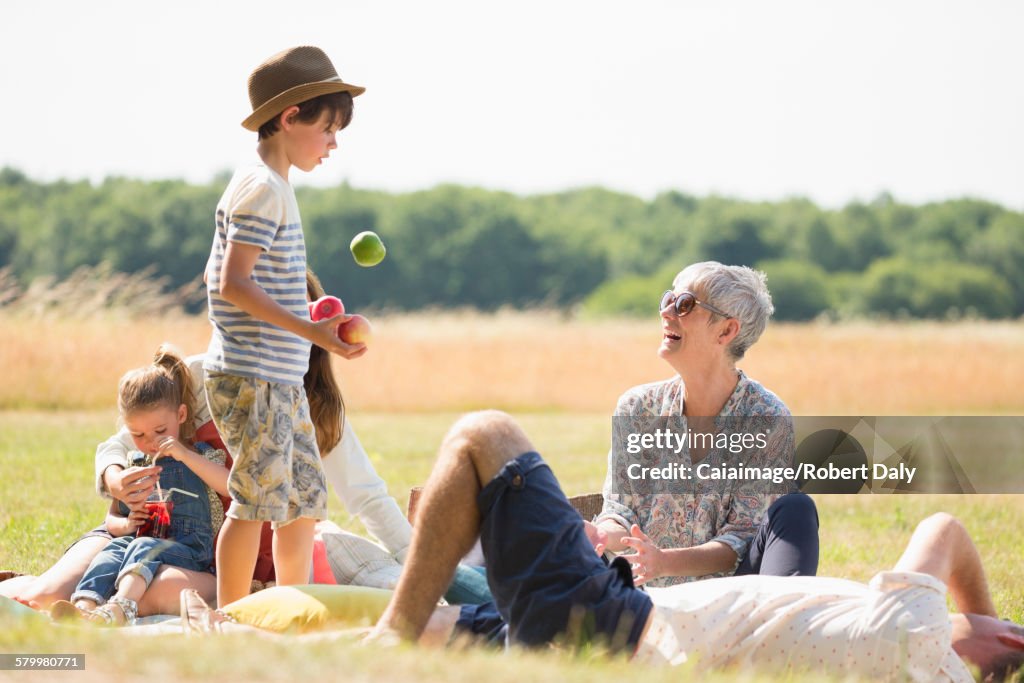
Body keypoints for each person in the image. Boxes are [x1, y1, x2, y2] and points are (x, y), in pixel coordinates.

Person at [369, 410, 1024, 682]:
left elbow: (946, 529)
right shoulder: (907, 645)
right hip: (619, 623)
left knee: (484, 436)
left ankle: (388, 636)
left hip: (613, 627)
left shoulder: (916, 626)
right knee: (469, 622)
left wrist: (980, 620)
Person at [203, 45, 368, 607]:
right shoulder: (261, 188)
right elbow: (233, 284)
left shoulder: (275, 186)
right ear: (290, 116)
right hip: (252, 376)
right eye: (327, 128)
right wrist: (313, 332)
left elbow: (267, 282)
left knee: (301, 503)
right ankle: (231, 619)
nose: (333, 143)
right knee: (255, 502)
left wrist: (323, 322)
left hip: (279, 375)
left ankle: (290, 609)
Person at [593, 261, 818, 586]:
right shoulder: (637, 408)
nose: (667, 312)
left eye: (684, 304)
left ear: (726, 331)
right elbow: (621, 513)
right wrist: (598, 534)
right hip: (643, 600)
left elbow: (740, 539)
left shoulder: (767, 419)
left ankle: (779, 624)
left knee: (796, 510)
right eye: (667, 299)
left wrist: (664, 562)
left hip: (728, 603)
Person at [52, 346, 229, 625]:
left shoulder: (201, 454)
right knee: (112, 550)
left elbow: (230, 486)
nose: (150, 442)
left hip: (191, 549)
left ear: (181, 416)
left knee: (146, 545)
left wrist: (186, 456)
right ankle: (85, 607)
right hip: (140, 541)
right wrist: (127, 525)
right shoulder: (135, 463)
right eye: (138, 434)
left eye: (160, 431)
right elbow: (113, 517)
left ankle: (123, 606)